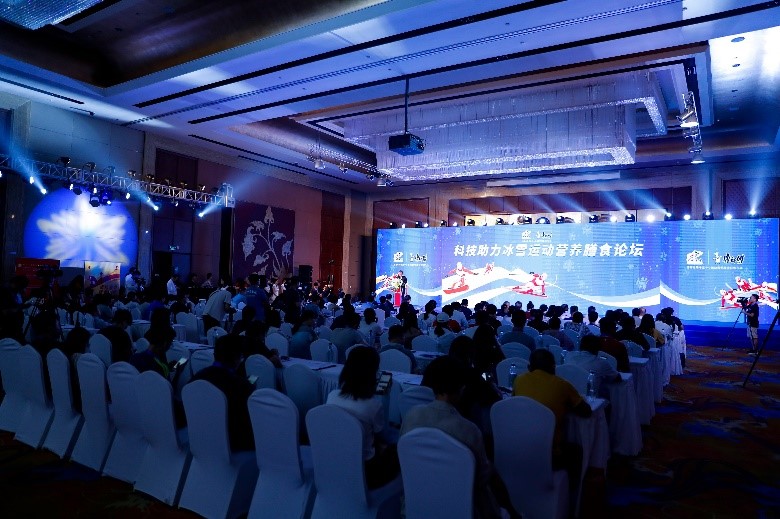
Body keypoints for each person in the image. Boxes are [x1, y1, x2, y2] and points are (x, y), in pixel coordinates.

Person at [402, 356, 518, 519]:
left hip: (416, 506)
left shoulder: (410, 417)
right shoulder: (469, 430)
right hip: (464, 509)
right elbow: (482, 479)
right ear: (462, 389)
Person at [513, 349, 592, 492]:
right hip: (550, 455)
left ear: (529, 367)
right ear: (553, 367)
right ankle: (573, 497)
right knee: (576, 451)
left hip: (518, 449)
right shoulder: (562, 385)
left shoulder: (518, 380)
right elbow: (586, 412)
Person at [326, 347, 399, 489]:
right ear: (373, 373)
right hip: (366, 472)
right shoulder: (373, 405)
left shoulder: (332, 396)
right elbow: (384, 437)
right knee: (398, 445)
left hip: (335, 462)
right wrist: (386, 399)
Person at [191, 335, 255, 451]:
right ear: (236, 358)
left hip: (200, 438)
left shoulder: (196, 378)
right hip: (232, 444)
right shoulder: (242, 386)